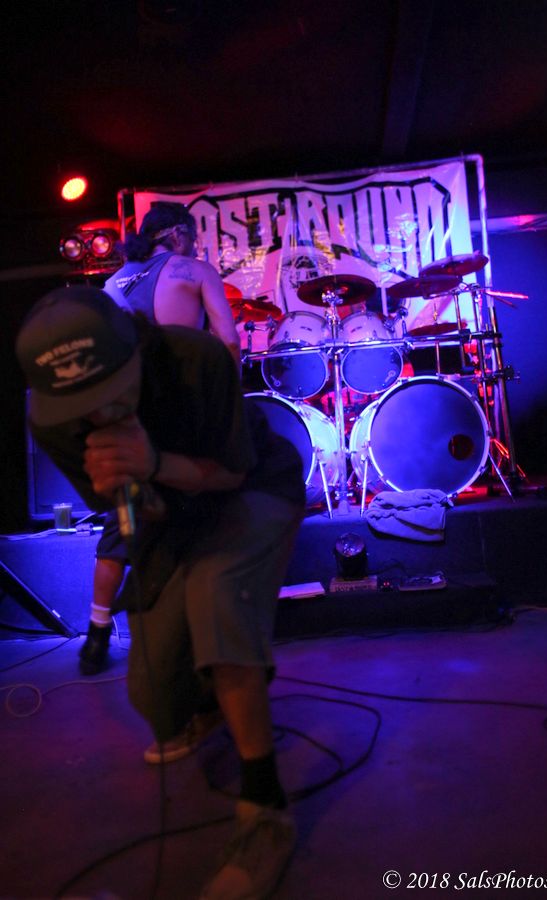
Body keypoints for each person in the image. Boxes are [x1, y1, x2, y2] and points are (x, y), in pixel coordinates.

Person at [16, 285, 305, 899]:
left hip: (253, 486)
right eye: (84, 404)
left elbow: (233, 472)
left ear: (135, 348)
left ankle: (265, 809)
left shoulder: (196, 358)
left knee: (216, 589)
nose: (102, 412)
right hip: (172, 514)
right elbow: (134, 510)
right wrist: (131, 486)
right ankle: (213, 700)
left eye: (113, 390)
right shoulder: (52, 417)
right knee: (157, 702)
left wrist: (153, 463)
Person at [80, 201, 241, 678]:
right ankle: (204, 631)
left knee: (122, 523)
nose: (193, 245)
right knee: (203, 507)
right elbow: (229, 340)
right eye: (191, 237)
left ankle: (96, 637)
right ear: (176, 235)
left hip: (132, 417)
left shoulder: (111, 284)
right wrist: (229, 401)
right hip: (187, 413)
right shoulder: (195, 270)